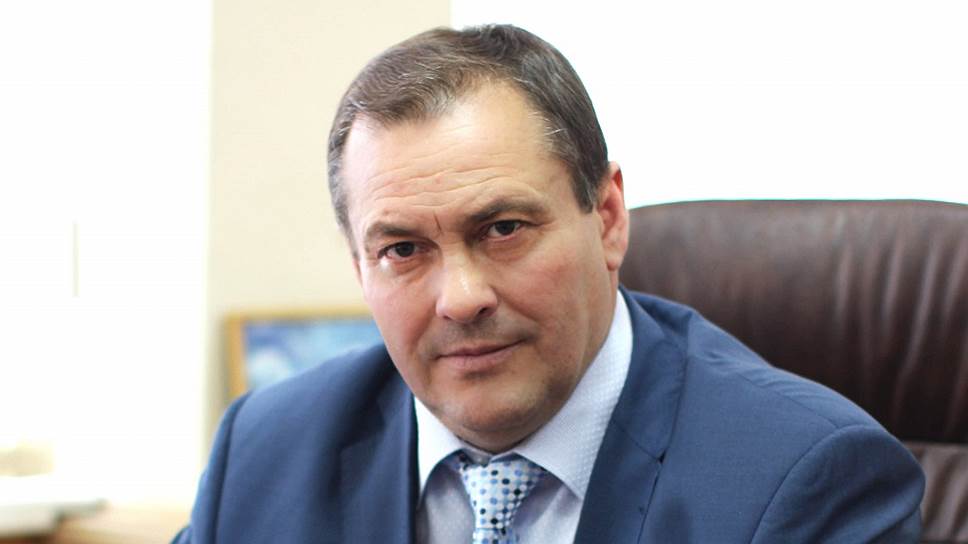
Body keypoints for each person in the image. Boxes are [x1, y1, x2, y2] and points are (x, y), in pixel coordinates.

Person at [173, 25, 924, 543]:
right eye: (402, 249)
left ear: (608, 218)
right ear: (359, 268)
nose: (460, 298)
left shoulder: (805, 480)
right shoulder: (265, 453)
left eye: (503, 228)